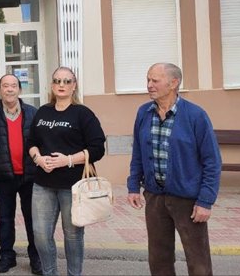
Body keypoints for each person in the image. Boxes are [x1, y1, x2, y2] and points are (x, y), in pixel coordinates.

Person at [127, 63, 222, 276]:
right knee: (159, 258)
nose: (149, 85)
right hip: (155, 197)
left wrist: (205, 201)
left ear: (173, 83)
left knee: (198, 261)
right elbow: (138, 153)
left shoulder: (195, 115)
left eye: (155, 80)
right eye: (148, 80)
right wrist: (133, 185)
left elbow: (212, 161)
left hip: (188, 199)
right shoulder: (144, 113)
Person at [28, 66, 106, 276]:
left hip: (73, 186)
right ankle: (49, 272)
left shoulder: (83, 114)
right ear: (52, 85)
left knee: (72, 236)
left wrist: (68, 160)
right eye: (57, 81)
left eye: (66, 81)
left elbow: (98, 148)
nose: (61, 85)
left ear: (74, 86)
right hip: (42, 184)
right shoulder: (43, 111)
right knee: (41, 236)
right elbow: (32, 142)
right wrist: (38, 158)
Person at [0, 74, 42, 274]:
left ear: (19, 90)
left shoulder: (33, 113)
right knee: (5, 218)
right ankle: (7, 255)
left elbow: (41, 142)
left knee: (32, 218)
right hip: (4, 177)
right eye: (5, 86)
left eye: (13, 86)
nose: (9, 89)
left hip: (30, 177)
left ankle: (36, 257)